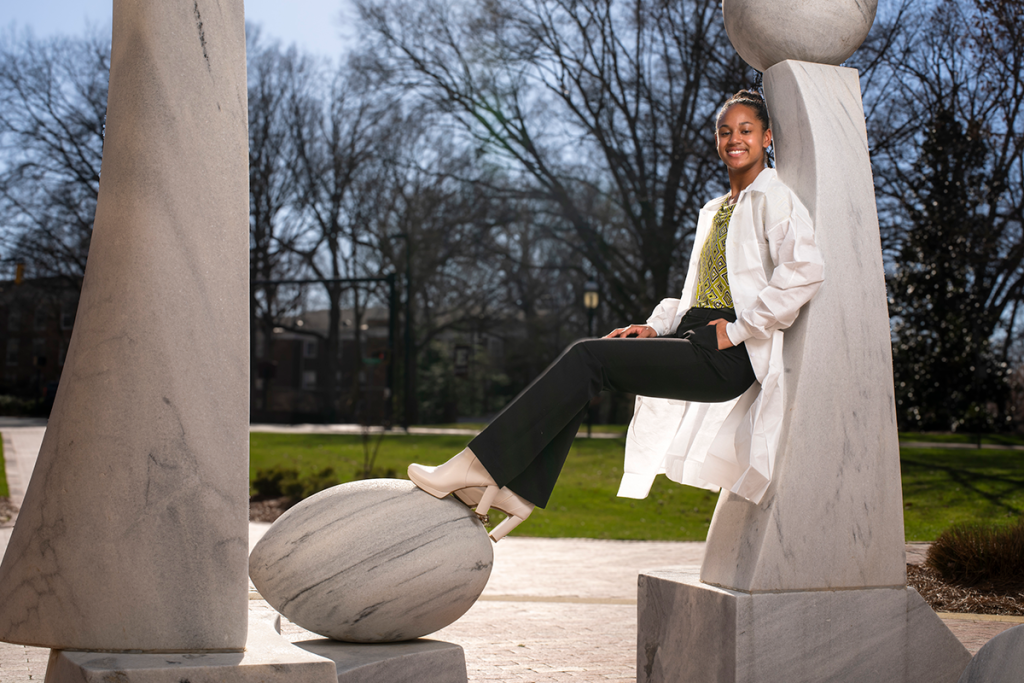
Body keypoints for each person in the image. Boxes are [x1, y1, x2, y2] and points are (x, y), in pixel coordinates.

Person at [408, 90, 825, 541]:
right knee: (592, 364)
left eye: (746, 130)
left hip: (726, 353)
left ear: (766, 138)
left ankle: (474, 467)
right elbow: (694, 293)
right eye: (725, 131)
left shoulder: (774, 196)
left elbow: (804, 272)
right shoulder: (715, 210)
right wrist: (655, 327)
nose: (734, 139)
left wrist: (740, 331)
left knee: (590, 358)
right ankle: (517, 492)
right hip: (691, 337)